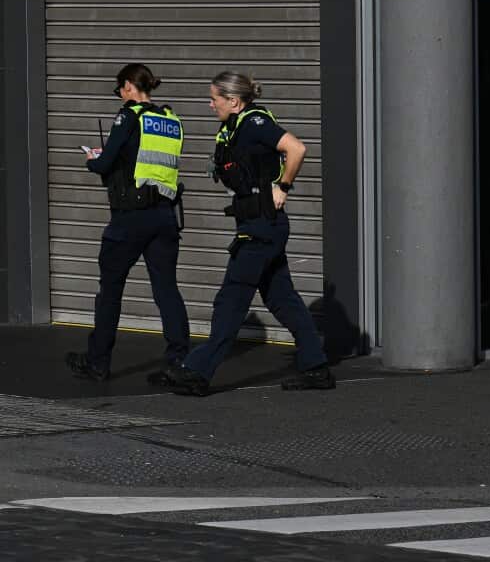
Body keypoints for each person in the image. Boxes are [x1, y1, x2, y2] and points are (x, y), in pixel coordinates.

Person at [165, 71, 335, 396]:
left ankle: (197, 371)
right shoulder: (232, 128)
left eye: (214, 98)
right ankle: (316, 367)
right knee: (282, 298)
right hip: (257, 224)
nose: (210, 103)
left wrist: (282, 186)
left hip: (262, 226)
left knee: (231, 298)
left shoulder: (255, 122)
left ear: (233, 100)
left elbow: (296, 149)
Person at [65, 63, 190, 383]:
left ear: (129, 87)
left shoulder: (129, 115)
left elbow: (107, 162)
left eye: (120, 89)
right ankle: (180, 360)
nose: (120, 95)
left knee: (110, 291)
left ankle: (97, 362)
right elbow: (146, 162)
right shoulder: (170, 120)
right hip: (164, 214)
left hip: (130, 217)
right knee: (167, 290)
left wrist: (95, 159)